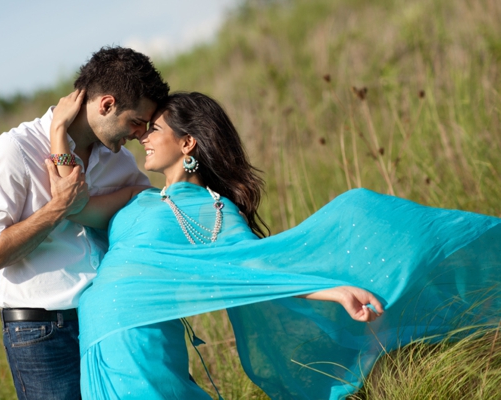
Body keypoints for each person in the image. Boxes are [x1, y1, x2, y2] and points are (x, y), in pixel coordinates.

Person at [49, 91, 501, 399]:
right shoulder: (136, 196)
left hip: (137, 336)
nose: (143, 136)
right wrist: (57, 134)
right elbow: (69, 204)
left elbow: (257, 266)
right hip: (96, 338)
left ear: (186, 142)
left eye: (155, 129)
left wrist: (334, 291)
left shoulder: (215, 210)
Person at [0, 46, 169, 400]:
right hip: (42, 332)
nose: (139, 134)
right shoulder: (14, 150)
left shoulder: (118, 160)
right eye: (136, 121)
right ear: (106, 104)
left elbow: (142, 201)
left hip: (106, 322)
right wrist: (57, 207)